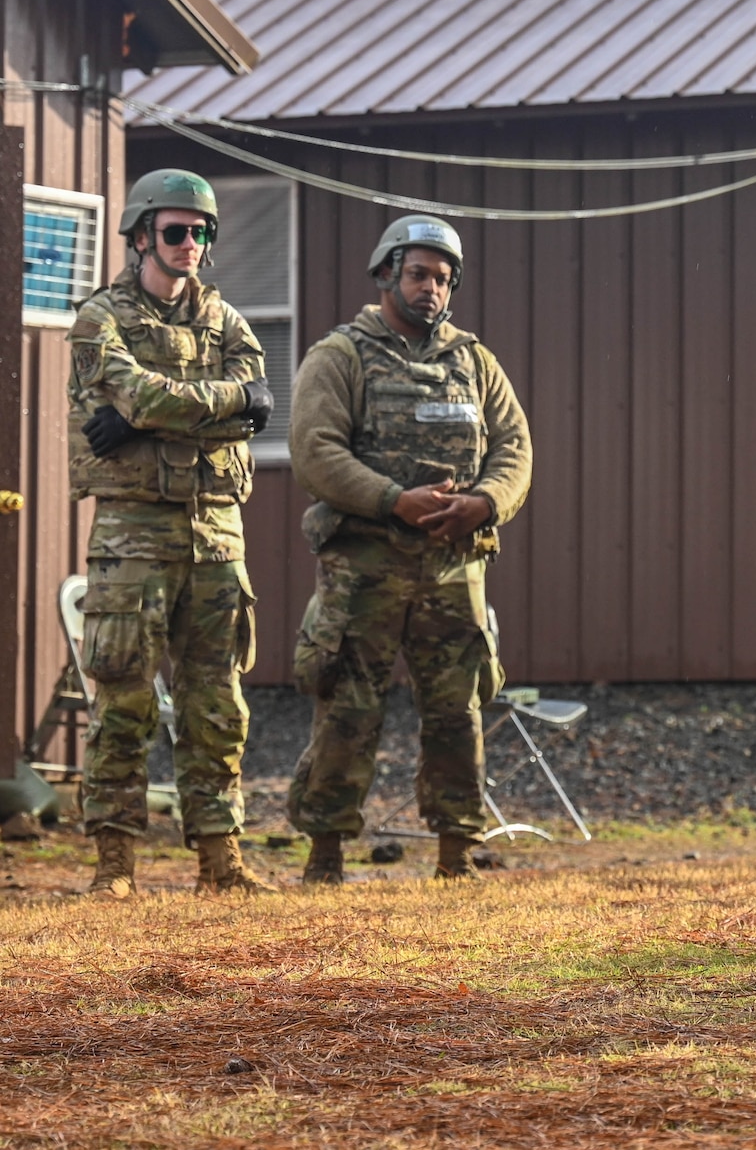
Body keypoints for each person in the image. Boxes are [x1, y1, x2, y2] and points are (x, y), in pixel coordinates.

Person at [286, 215, 533, 884]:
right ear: (387, 274)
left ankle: (457, 852)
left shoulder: (474, 360)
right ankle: (326, 853)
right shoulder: (341, 355)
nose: (432, 289)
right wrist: (394, 498)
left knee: (459, 707)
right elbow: (315, 451)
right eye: (419, 273)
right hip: (364, 566)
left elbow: (514, 446)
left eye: (443, 278)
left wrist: (483, 503)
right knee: (348, 706)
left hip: (454, 567)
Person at [67, 169, 275, 897]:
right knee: (123, 701)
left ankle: (222, 860)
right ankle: (115, 864)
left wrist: (145, 417)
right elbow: (144, 389)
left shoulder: (228, 321)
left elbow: (260, 398)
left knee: (217, 702)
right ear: (140, 235)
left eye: (202, 231)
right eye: (176, 230)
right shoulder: (102, 318)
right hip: (132, 535)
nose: (191, 243)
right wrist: (212, 403)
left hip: (217, 534)